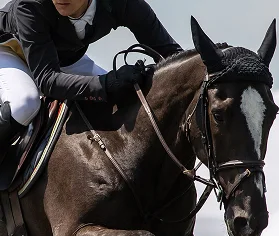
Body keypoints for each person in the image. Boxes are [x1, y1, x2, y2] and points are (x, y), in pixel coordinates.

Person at [0, 0, 183, 153]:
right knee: (24, 104)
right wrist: (107, 83)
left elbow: (171, 55)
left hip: (61, 59)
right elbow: (47, 80)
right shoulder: (31, 5)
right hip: (8, 51)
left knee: (129, 100)